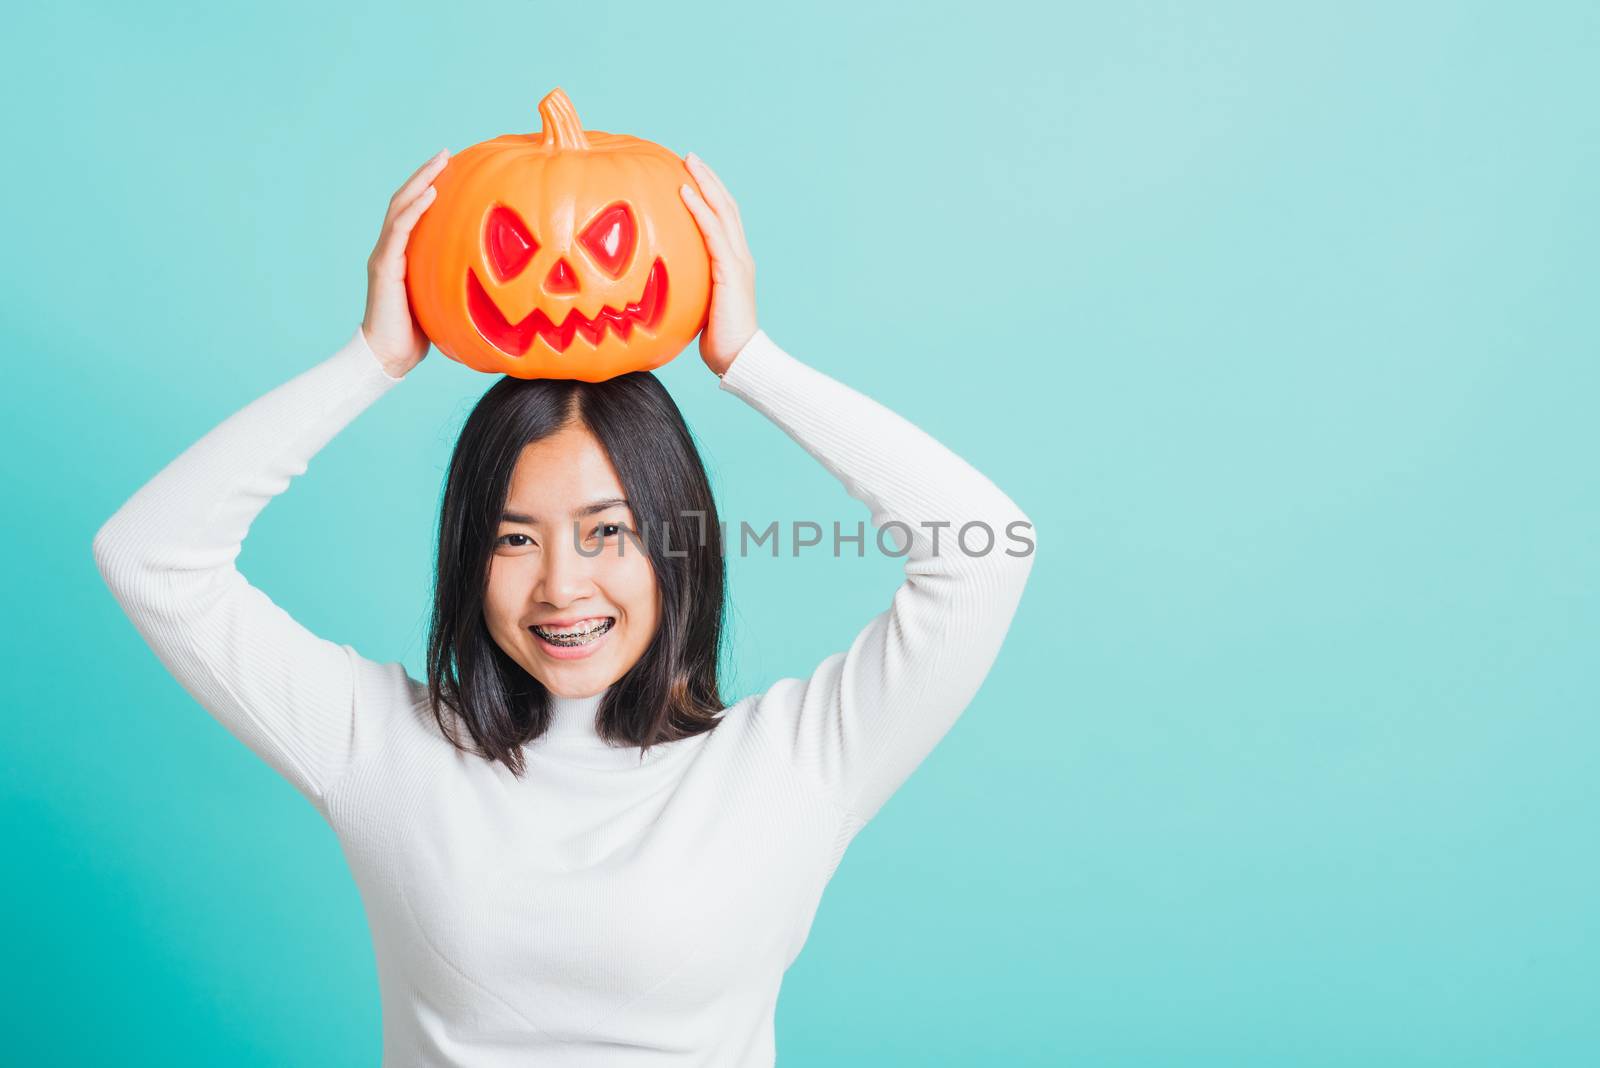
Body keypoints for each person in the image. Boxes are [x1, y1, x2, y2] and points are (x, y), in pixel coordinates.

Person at [92, 148, 1037, 1066]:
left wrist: (750, 360)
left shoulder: (795, 761)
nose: (560, 586)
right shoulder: (376, 744)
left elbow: (986, 550)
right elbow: (149, 558)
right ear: (468, 558)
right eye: (513, 538)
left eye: (607, 533)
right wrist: (371, 360)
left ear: (678, 544)